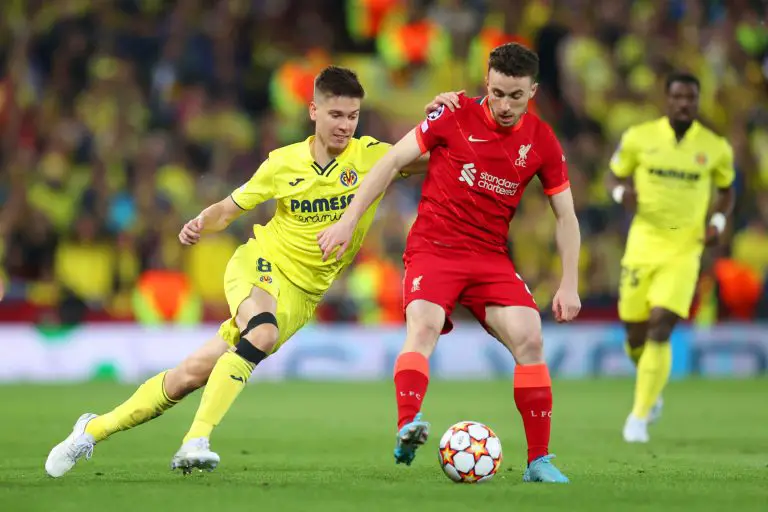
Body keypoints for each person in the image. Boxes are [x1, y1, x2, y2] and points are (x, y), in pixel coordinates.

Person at [44, 66, 460, 478]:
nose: (345, 126)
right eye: (336, 115)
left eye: (352, 116)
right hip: (260, 264)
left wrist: (447, 118)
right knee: (261, 331)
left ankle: (92, 429)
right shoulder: (282, 163)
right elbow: (229, 209)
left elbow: (441, 154)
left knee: (189, 376)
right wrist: (200, 223)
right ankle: (196, 441)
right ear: (313, 111)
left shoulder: (372, 156)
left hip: (303, 295)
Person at [318, 43, 581, 484]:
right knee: (422, 325)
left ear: (532, 91)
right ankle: (408, 425)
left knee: (531, 339)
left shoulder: (542, 141)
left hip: (490, 258)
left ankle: (539, 461)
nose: (504, 105)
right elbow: (391, 162)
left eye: (516, 96)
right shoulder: (452, 115)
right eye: (497, 93)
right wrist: (347, 222)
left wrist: (569, 282)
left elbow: (566, 214)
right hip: (434, 249)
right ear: (486, 84)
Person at [606, 72, 735, 443]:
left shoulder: (715, 147)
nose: (684, 104)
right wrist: (620, 197)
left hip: (685, 248)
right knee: (635, 332)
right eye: (678, 97)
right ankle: (651, 386)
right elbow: (613, 177)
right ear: (667, 99)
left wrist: (718, 221)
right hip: (643, 244)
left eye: (691, 98)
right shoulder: (638, 138)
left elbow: (726, 191)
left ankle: (638, 417)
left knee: (661, 324)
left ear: (697, 101)